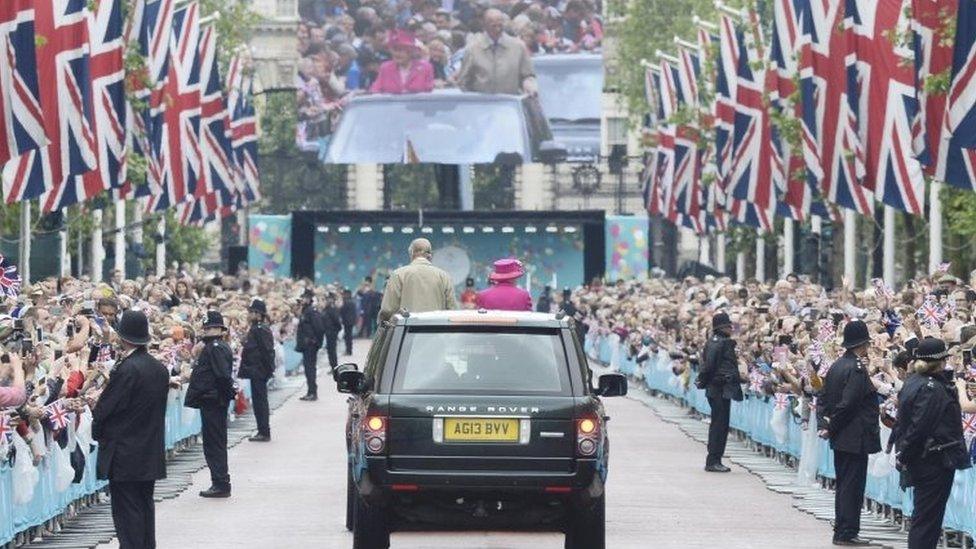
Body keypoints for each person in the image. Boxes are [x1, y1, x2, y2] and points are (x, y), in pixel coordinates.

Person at [91, 309, 169, 549]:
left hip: (125, 452)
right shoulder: (159, 368)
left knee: (127, 513)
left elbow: (108, 408)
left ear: (123, 338)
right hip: (149, 449)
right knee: (145, 506)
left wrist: (96, 411)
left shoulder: (127, 369)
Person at [890, 338, 971, 549]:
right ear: (940, 362)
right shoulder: (932, 388)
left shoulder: (914, 382)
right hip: (932, 459)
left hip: (924, 457)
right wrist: (906, 454)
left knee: (925, 516)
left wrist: (904, 454)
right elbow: (920, 427)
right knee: (927, 519)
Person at [818, 319, 880, 547]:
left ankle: (844, 528)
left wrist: (824, 425)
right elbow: (849, 403)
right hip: (854, 435)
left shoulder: (836, 365)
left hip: (842, 435)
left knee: (845, 483)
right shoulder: (855, 368)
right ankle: (846, 531)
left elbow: (823, 398)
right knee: (851, 486)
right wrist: (831, 425)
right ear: (863, 344)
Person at [184, 311, 236, 498]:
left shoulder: (215, 347)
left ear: (220, 329)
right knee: (214, 443)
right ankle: (219, 481)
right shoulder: (216, 346)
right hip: (213, 400)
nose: (208, 331)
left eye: (212, 328)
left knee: (214, 444)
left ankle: (220, 482)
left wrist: (221, 397)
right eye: (206, 328)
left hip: (213, 400)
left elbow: (222, 376)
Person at [695, 312, 743, 472]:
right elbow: (709, 366)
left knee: (719, 424)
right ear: (723, 327)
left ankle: (715, 459)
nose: (731, 328)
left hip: (718, 388)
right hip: (720, 388)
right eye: (729, 326)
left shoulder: (715, 342)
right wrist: (704, 379)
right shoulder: (721, 343)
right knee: (719, 426)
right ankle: (713, 460)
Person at [456, 8, 537, 95]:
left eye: (500, 25)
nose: (497, 29)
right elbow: (463, 81)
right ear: (485, 26)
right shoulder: (473, 49)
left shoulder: (518, 47)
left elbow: (528, 75)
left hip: (509, 104)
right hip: (482, 104)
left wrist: (529, 84)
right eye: (493, 26)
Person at [379, 238, 458, 321]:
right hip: (436, 330)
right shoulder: (444, 276)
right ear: (430, 255)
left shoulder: (398, 274)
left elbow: (387, 310)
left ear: (412, 253)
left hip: (407, 330)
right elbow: (452, 309)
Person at [239, 299, 276, 440]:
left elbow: (267, 352)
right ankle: (262, 429)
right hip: (256, 371)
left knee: (260, 402)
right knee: (258, 401)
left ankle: (264, 431)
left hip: (259, 371)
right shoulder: (255, 329)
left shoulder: (260, 330)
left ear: (258, 314)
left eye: (252, 312)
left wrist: (267, 371)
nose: (249, 315)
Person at [369, 30, 434, 94]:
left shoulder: (425, 68)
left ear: (411, 52)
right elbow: (375, 90)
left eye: (401, 50)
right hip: (392, 104)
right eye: (395, 50)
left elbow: (429, 93)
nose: (397, 54)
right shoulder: (385, 68)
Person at [296, 291, 324, 401]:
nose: (303, 300)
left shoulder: (311, 312)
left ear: (309, 299)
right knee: (308, 369)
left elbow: (320, 328)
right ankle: (310, 391)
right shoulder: (306, 311)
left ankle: (313, 392)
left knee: (310, 369)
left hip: (310, 346)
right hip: (306, 345)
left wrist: (314, 341)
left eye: (305, 298)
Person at [321, 292, 342, 372]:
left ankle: (334, 368)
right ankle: (333, 367)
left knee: (332, 351)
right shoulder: (326, 309)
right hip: (328, 332)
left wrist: (336, 331)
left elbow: (336, 321)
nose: (327, 300)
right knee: (330, 351)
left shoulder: (332, 309)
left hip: (331, 332)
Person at [340, 288, 357, 356]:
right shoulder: (352, 302)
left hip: (347, 322)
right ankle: (349, 350)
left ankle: (348, 350)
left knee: (348, 337)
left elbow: (342, 311)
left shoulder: (346, 302)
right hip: (351, 322)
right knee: (349, 336)